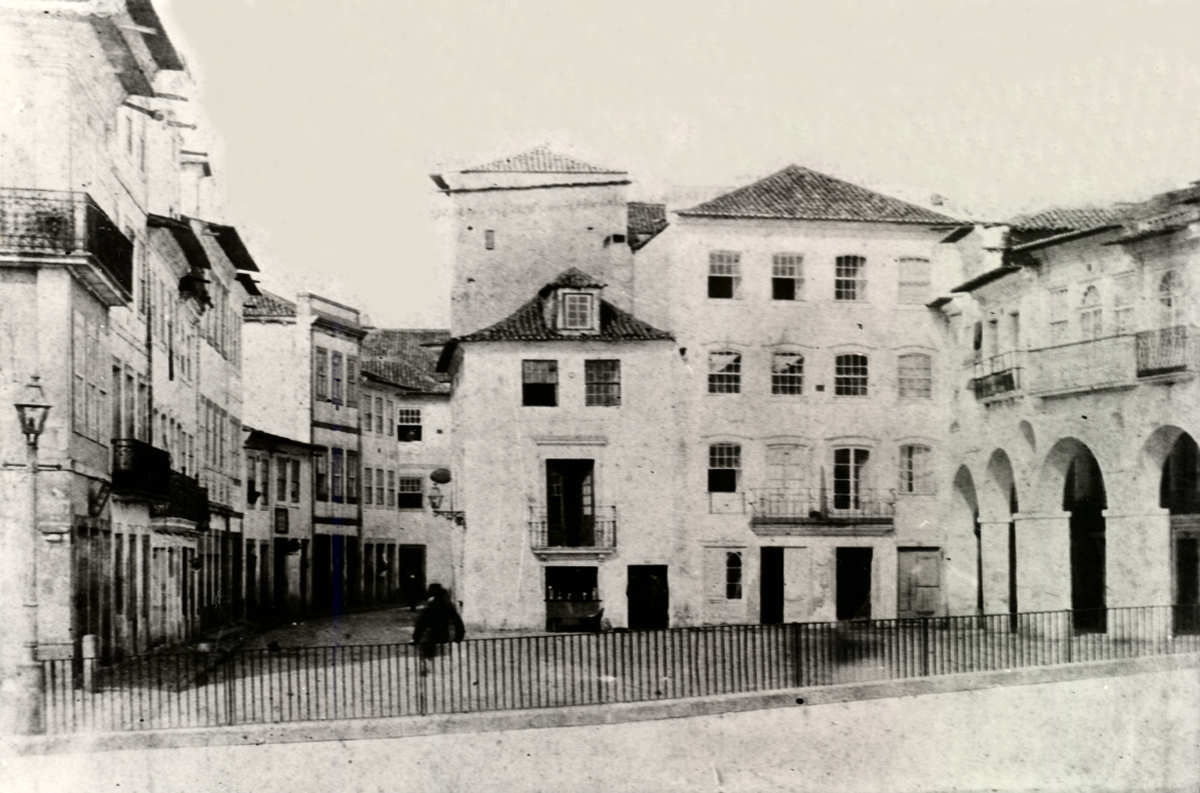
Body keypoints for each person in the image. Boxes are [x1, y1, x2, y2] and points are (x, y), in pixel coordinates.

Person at [411, 583, 464, 663]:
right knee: (443, 662)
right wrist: (459, 637)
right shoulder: (447, 605)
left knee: (428, 661)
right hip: (444, 636)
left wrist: (416, 638)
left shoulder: (430, 606)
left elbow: (421, 624)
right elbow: (457, 621)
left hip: (430, 638)